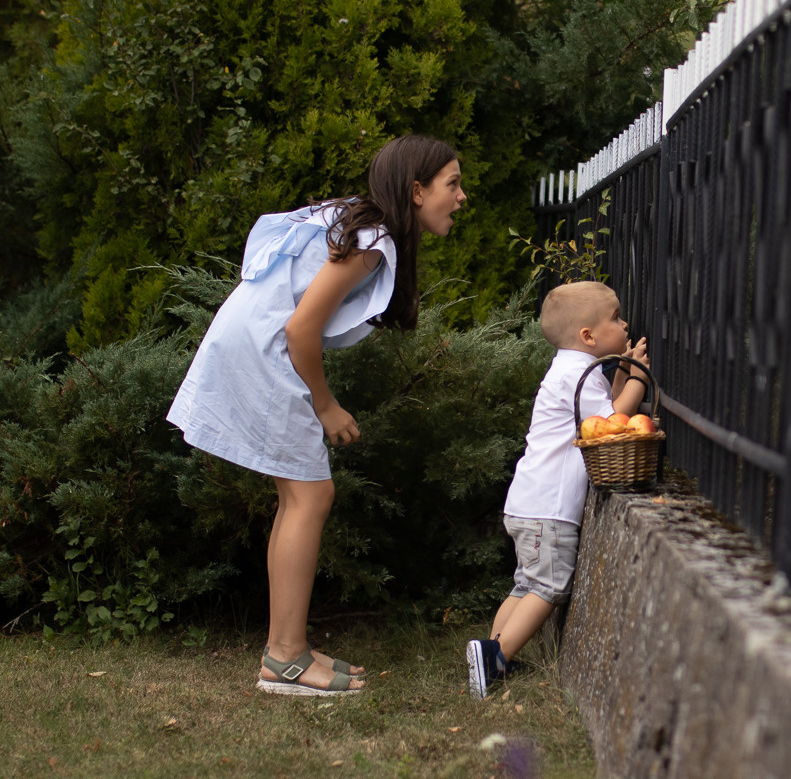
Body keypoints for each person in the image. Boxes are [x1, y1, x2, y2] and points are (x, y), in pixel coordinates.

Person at [167, 134, 466, 697]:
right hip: (267, 351)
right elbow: (301, 328)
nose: (461, 195)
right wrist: (325, 405)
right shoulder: (372, 238)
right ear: (417, 189)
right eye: (453, 184)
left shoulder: (359, 222)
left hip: (251, 343)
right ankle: (284, 659)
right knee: (311, 495)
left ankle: (287, 650)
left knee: (299, 495)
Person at [467, 281, 649, 698]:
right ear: (588, 335)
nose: (624, 324)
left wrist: (620, 371)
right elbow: (613, 424)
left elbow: (600, 412)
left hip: (527, 502)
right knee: (548, 588)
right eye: (616, 318)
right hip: (549, 509)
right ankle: (495, 658)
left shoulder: (572, 371)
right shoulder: (578, 376)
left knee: (525, 585)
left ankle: (493, 652)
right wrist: (639, 377)